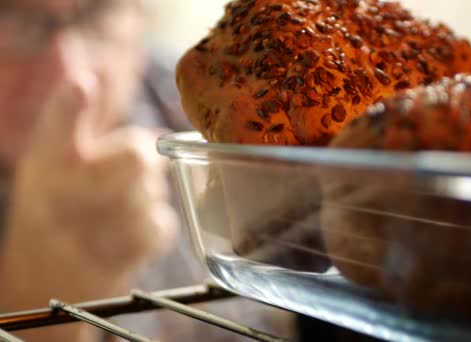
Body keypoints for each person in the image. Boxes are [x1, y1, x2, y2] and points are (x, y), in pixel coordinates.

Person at [0, 0, 294, 341]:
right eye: (8, 17)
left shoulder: (210, 99)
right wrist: (33, 297)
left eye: (98, 11)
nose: (73, 74)